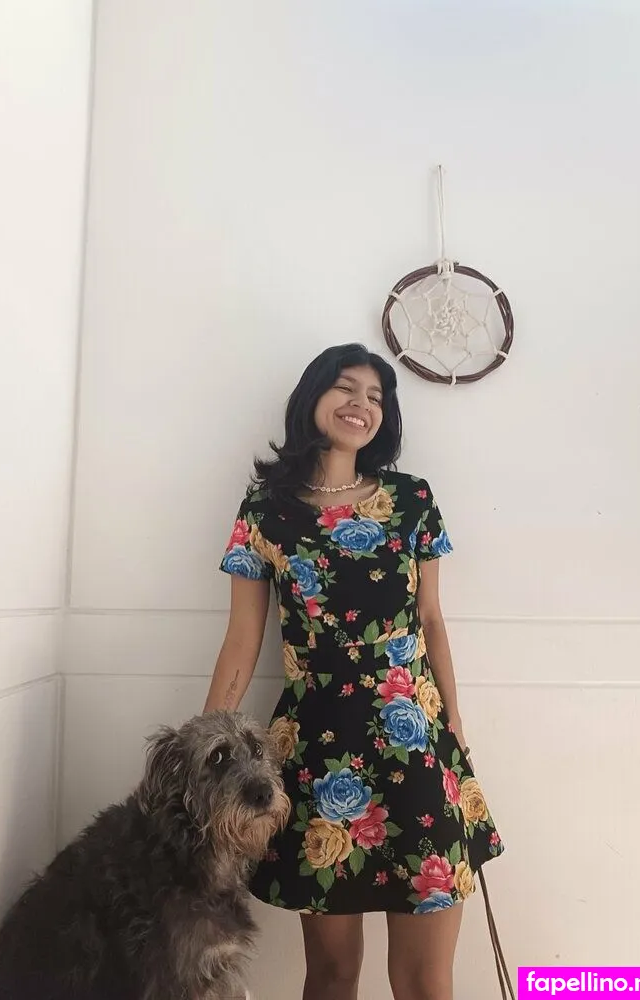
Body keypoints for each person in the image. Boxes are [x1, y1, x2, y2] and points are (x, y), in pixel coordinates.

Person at [203, 343, 504, 1000]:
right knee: (332, 974)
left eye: (376, 396)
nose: (360, 404)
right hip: (317, 751)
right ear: (312, 397)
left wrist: (453, 727)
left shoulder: (411, 498)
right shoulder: (265, 510)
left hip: (415, 745)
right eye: (345, 387)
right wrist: (207, 751)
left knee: (423, 979)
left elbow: (431, 620)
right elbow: (242, 640)